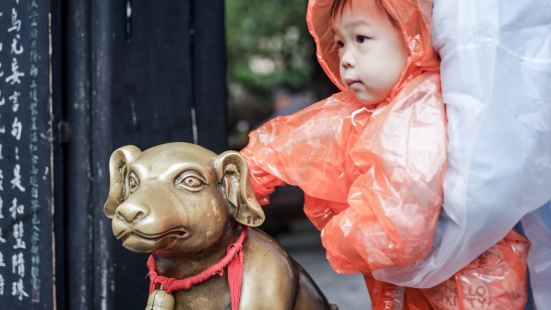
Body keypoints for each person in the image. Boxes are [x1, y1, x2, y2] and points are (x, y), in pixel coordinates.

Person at [241, 0, 529, 308]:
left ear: (410, 37)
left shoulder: (420, 110)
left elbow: (397, 227)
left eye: (361, 39)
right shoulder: (363, 113)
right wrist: (241, 174)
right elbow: (292, 142)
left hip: (475, 289)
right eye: (340, 43)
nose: (347, 58)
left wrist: (336, 236)